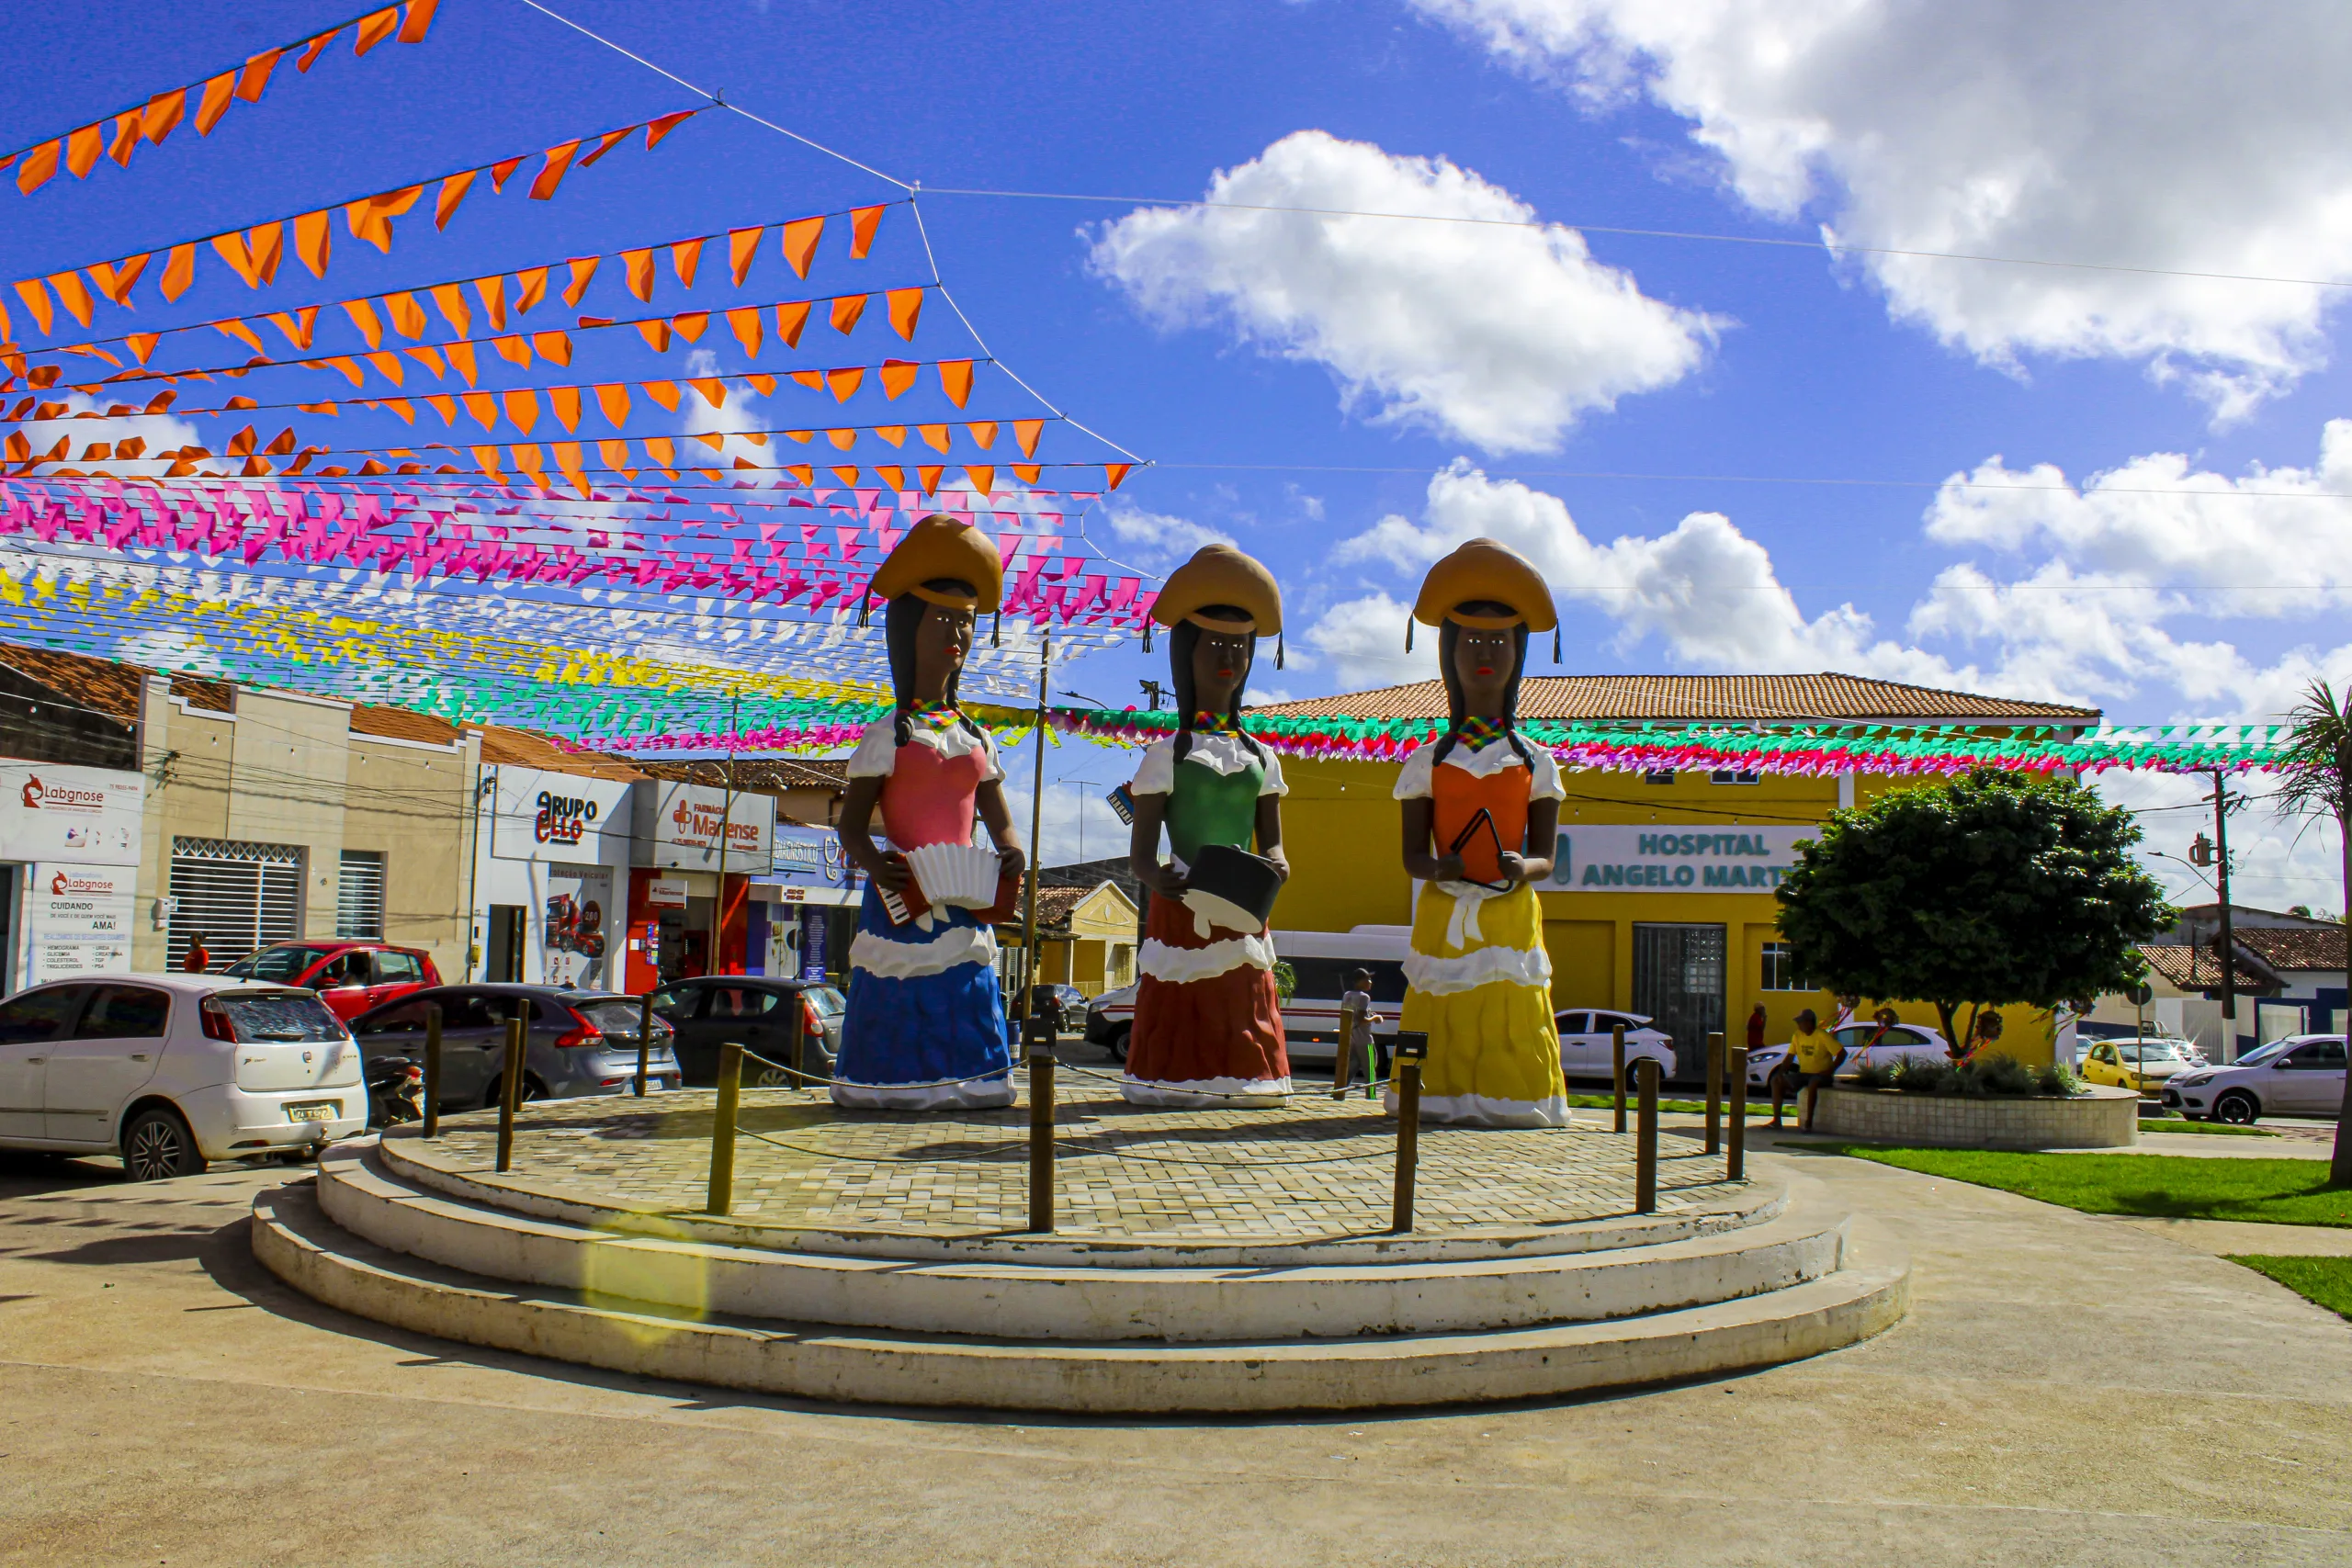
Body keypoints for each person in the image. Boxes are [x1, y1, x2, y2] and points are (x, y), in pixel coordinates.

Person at [833, 516, 1024, 1111]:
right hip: (900, 893)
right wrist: (875, 863)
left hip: (963, 895)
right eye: (943, 618)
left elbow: (998, 816)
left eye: (965, 622)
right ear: (910, 627)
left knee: (965, 990)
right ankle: (889, 1086)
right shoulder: (889, 734)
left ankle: (973, 1081)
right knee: (901, 993)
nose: (957, 634)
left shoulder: (975, 737)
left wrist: (1013, 848)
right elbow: (851, 823)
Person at [1390, 538, 1570, 1129]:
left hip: (1510, 913)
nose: (1485, 653)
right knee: (1442, 1010)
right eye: (1471, 640)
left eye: (1499, 641)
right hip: (1445, 912)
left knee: (1509, 1014)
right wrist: (1437, 868)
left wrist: (1526, 868)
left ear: (1519, 653)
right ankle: (1435, 1096)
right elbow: (1413, 854)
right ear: (1449, 652)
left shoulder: (1537, 761)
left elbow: (1547, 855)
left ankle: (1510, 1099)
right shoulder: (1425, 763)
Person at [1124, 545, 1293, 1107]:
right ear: (1187, 654)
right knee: (1185, 1002)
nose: (1229, 657)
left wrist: (1278, 859)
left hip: (1243, 902)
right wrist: (1154, 878)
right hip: (1181, 901)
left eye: (1240, 646)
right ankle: (1175, 1081)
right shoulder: (1165, 756)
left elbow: (1270, 836)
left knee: (1239, 999)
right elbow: (1142, 852)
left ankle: (1245, 1081)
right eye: (1216, 644)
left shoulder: (1261, 758)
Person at [1771, 1007, 1844, 1131]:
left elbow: (1842, 1053)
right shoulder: (1797, 1035)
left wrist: (1830, 1070)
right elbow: (1790, 1057)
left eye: (1801, 1022)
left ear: (1809, 1022)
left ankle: (1808, 1123)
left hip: (1821, 1076)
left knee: (1813, 1082)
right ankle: (1776, 1121)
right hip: (1804, 1073)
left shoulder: (1821, 1035)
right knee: (1776, 1081)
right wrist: (1781, 1072)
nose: (1799, 1025)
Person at [1330, 966, 1386, 1099]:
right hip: (1365, 1040)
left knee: (1350, 1069)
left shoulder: (1347, 995)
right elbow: (1361, 1019)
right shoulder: (1364, 997)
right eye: (1367, 979)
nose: (1370, 982)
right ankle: (1371, 1096)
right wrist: (1375, 1018)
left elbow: (1351, 1016)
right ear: (1359, 981)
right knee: (1370, 1070)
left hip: (1352, 1039)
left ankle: (1338, 1093)